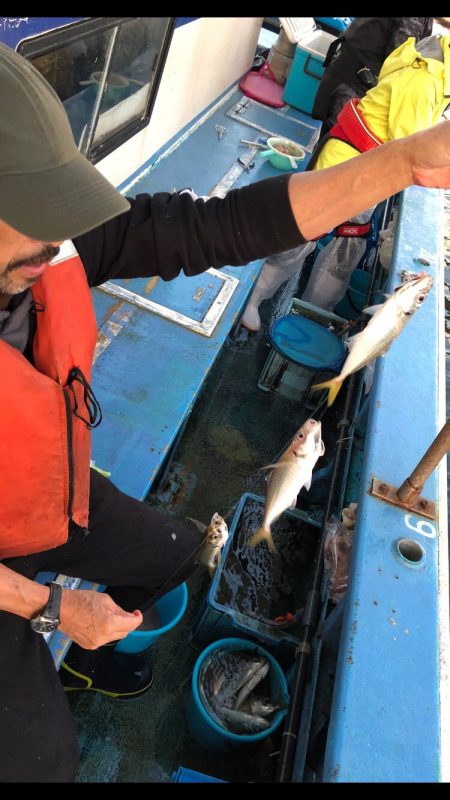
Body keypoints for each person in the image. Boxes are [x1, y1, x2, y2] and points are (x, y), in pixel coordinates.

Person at [1, 44, 450, 784]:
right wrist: (52, 610)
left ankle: (86, 667)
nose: (56, 240)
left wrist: (399, 164)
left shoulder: (46, 249)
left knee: (175, 554)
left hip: (30, 493)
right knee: (42, 761)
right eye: (32, 214)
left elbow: (220, 227)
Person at [240, 29, 450, 331]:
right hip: (353, 163)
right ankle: (253, 300)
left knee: (344, 245)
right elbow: (413, 149)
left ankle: (309, 317)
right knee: (304, 235)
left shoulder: (427, 56)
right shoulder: (426, 82)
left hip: (359, 158)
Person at [312, 17, 434, 141]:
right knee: (336, 142)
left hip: (345, 71)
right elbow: (398, 59)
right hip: (353, 84)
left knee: (328, 139)